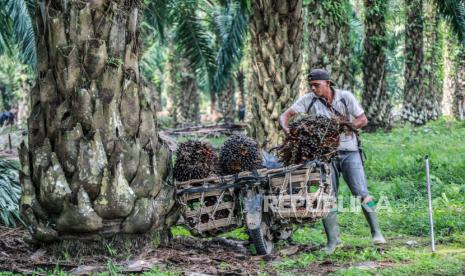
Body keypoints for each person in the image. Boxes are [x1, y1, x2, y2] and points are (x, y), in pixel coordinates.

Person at [278, 68, 386, 254]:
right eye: (311, 85)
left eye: (316, 85)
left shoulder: (345, 97)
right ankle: (333, 242)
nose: (313, 88)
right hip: (325, 157)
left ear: (328, 83)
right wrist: (288, 131)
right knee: (327, 197)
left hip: (349, 152)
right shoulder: (308, 100)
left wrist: (348, 126)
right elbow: (285, 116)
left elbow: (363, 119)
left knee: (361, 192)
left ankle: (377, 233)